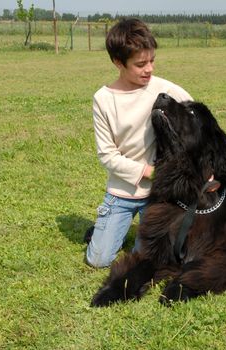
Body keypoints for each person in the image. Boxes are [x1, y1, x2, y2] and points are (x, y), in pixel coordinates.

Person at [86, 18, 193, 268]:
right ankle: (102, 230)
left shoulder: (164, 89)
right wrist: (149, 172)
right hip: (121, 194)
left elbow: (195, 119)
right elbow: (107, 156)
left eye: (152, 61)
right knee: (99, 260)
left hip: (159, 196)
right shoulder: (103, 99)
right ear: (118, 62)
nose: (149, 69)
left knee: (147, 259)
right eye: (140, 64)